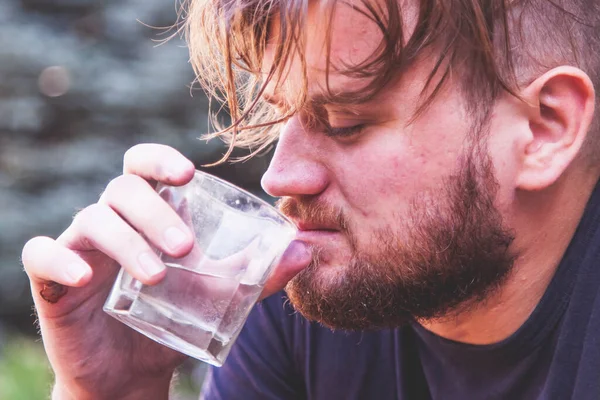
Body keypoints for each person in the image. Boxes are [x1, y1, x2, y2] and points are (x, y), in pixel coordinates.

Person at [21, 0, 600, 398]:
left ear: (544, 129)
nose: (279, 177)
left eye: (346, 122)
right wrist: (113, 393)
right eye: (278, 117)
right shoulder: (313, 299)